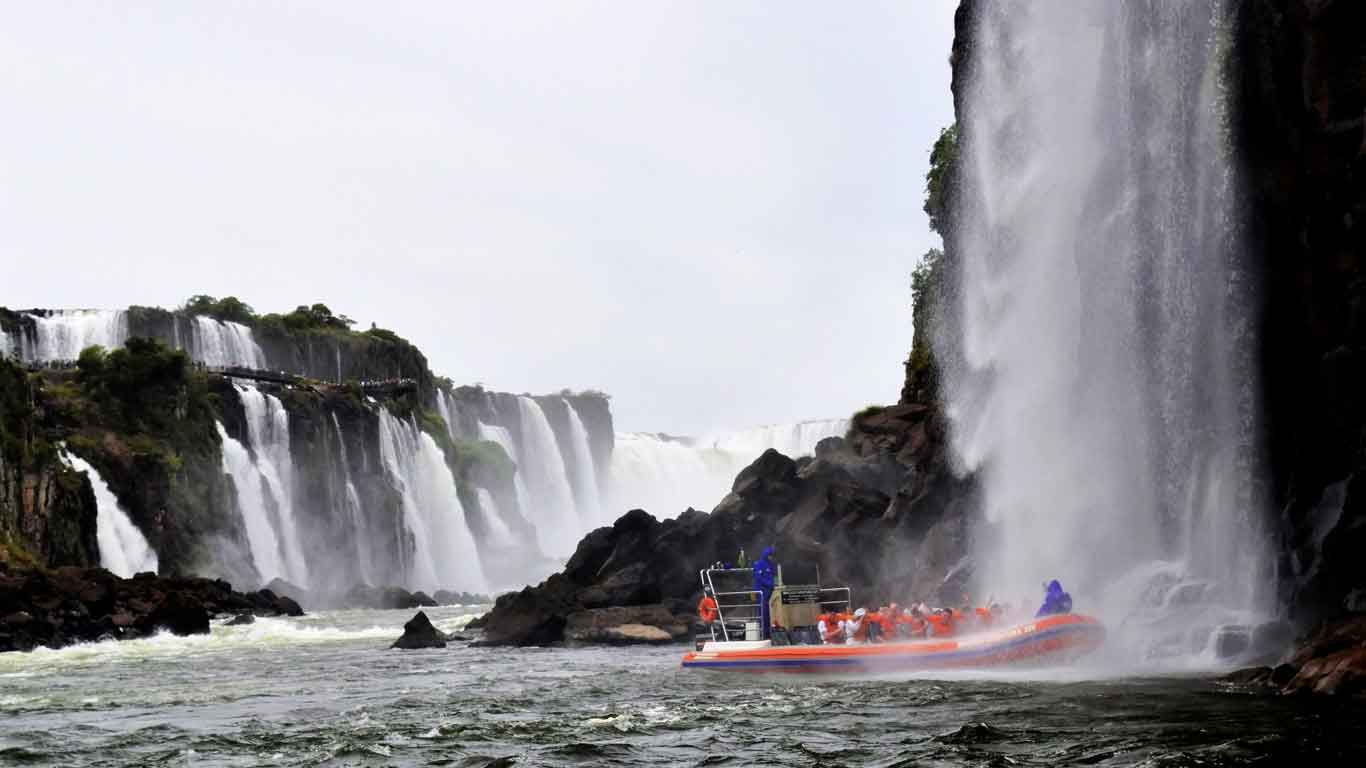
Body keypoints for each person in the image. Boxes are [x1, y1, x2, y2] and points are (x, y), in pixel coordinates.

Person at [751, 546, 776, 638]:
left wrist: (774, 584)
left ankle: (768, 633)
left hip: (768, 593)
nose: (771, 557)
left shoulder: (770, 564)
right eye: (770, 555)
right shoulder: (759, 564)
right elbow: (758, 577)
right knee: (762, 613)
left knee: (767, 614)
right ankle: (763, 634)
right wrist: (769, 584)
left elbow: (773, 575)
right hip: (761, 593)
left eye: (772, 555)